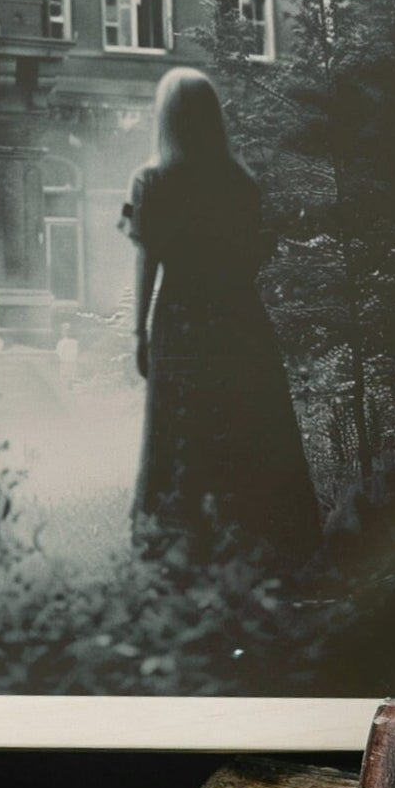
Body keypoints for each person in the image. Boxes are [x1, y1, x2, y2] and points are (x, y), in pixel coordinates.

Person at [121, 67, 320, 572]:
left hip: (181, 319)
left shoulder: (150, 181)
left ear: (164, 117)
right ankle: (263, 538)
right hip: (238, 316)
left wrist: (138, 331)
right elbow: (249, 257)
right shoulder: (239, 182)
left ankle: (179, 542)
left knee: (178, 423)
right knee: (246, 419)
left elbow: (147, 260)